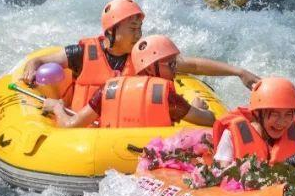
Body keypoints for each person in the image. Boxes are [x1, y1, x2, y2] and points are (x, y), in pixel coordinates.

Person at [20, 0, 260, 110]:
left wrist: (238, 72)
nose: (139, 33)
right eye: (132, 28)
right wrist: (33, 63)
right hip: (82, 130)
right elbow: (43, 60)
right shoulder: (84, 52)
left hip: (128, 132)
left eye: (140, 28)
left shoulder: (146, 54)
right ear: (112, 31)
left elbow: (192, 66)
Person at [44, 35, 216, 128]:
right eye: (170, 64)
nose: (175, 70)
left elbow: (70, 124)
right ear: (150, 68)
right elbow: (209, 120)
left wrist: (57, 108)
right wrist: (198, 107)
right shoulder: (166, 98)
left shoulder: (107, 90)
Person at [212, 77, 295, 165]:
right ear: (257, 113)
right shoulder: (231, 136)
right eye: (274, 114)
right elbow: (220, 172)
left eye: (288, 114)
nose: (282, 122)